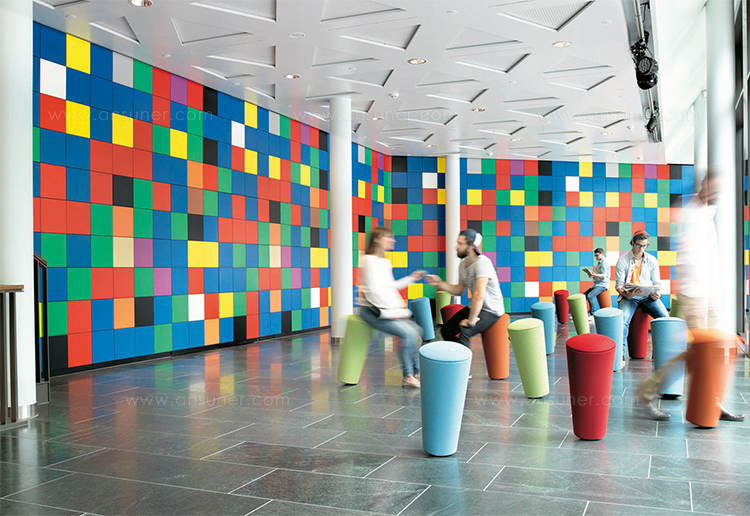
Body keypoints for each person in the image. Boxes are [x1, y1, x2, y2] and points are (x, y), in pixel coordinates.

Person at [636, 173, 744, 422]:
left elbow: (712, 255)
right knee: (700, 350)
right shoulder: (690, 213)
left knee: (710, 351)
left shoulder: (708, 212)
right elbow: (687, 258)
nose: (715, 194)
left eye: (719, 191)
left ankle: (711, 401)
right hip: (694, 294)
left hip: (710, 293)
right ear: (704, 185)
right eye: (713, 188)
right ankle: (650, 393)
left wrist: (720, 291)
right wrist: (692, 302)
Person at [359, 226, 425, 389]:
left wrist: (412, 278)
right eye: (388, 237)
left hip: (385, 309)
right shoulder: (368, 260)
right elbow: (373, 291)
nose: (393, 240)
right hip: (372, 310)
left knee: (416, 331)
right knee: (408, 333)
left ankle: (417, 373)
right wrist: (393, 311)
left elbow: (391, 286)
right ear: (376, 239)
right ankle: (408, 376)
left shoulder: (385, 262)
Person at [426, 229, 505, 362]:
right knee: (446, 331)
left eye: (460, 243)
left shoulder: (482, 263)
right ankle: (460, 358)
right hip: (476, 305)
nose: (456, 246)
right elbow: (459, 290)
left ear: (471, 246)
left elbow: (479, 295)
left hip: (491, 309)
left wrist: (471, 321)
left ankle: (464, 370)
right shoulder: (463, 265)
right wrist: (440, 283)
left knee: (465, 331)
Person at [615, 229, 669, 359]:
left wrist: (658, 294)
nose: (641, 248)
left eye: (644, 245)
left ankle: (659, 355)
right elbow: (619, 285)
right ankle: (620, 356)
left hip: (648, 297)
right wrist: (626, 294)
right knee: (622, 321)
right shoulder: (623, 260)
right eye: (638, 245)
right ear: (632, 243)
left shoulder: (652, 260)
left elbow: (657, 283)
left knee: (665, 318)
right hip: (629, 297)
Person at [583, 248, 610, 318]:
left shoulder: (604, 262)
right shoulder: (600, 262)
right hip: (597, 284)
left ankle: (592, 314)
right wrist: (591, 275)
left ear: (602, 254)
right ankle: (582, 314)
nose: (596, 257)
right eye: (595, 255)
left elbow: (604, 276)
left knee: (590, 296)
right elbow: (598, 276)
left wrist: (594, 274)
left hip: (603, 284)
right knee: (584, 295)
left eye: (597, 255)